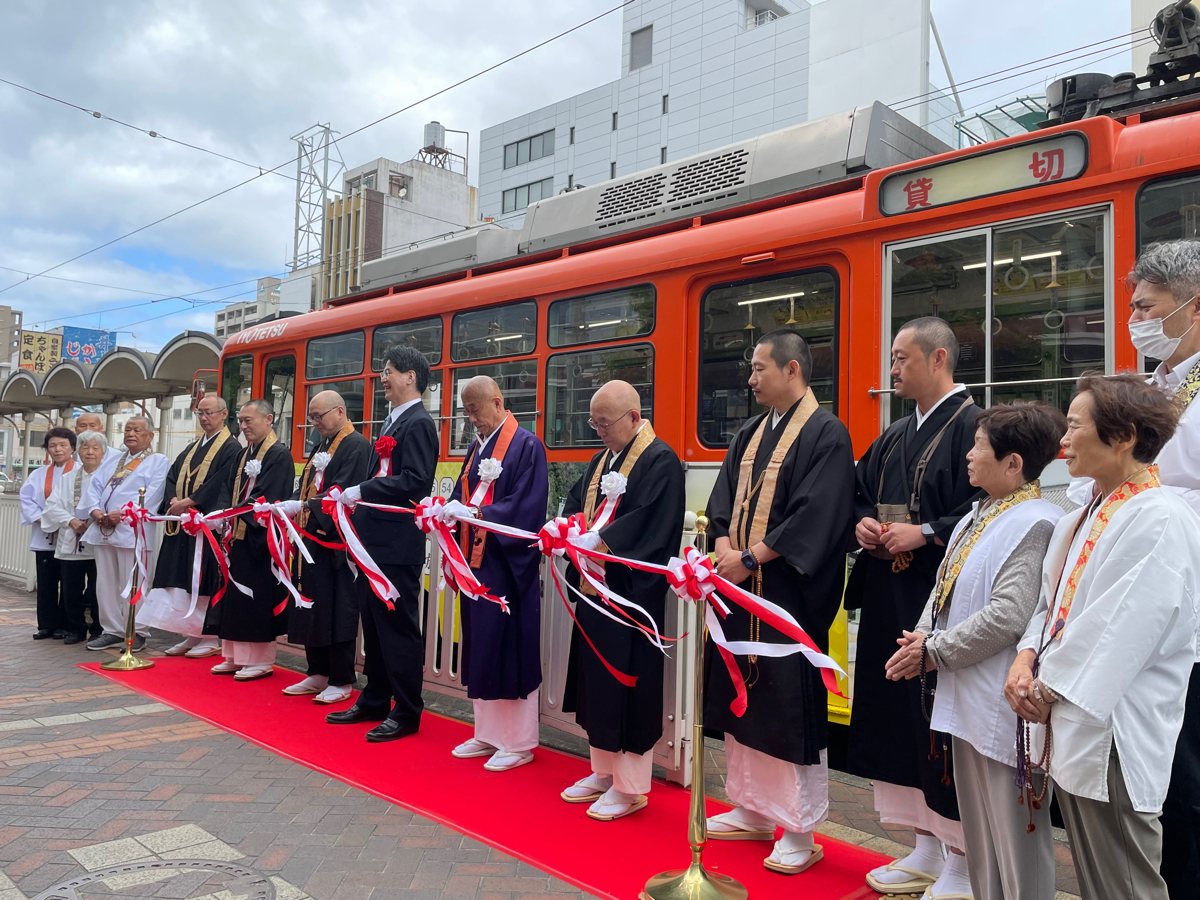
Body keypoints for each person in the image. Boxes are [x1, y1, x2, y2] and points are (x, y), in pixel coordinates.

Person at [1006, 375, 1200, 900]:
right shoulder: (1088, 511)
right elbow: (1051, 605)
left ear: (1124, 436)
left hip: (1114, 729)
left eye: (1074, 427)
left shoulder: (1159, 516)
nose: (1062, 443)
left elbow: (1120, 628)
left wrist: (1045, 688)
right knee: (1100, 879)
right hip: (1076, 717)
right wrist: (1026, 656)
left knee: (1126, 882)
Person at [884, 402, 1066, 900]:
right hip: (966, 698)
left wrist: (934, 651)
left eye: (978, 447)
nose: (967, 456)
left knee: (1015, 841)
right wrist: (923, 637)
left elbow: (1008, 616)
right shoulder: (977, 514)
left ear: (1013, 464)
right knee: (981, 837)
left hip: (1001, 704)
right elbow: (943, 589)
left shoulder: (1038, 521)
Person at [1067, 241, 1200, 899]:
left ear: (1194, 307)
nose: (1135, 320)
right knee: (1133, 781)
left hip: (1178, 613)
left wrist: (1139, 499)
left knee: (1183, 786)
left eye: (1147, 307)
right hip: (1116, 597)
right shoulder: (1148, 387)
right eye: (1132, 308)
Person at [698, 331, 855, 874]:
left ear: (792, 370)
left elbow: (818, 514)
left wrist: (754, 557)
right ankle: (752, 809)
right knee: (745, 702)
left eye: (759, 368)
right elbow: (723, 499)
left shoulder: (828, 435)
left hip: (786, 594)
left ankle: (798, 827)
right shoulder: (749, 431)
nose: (750, 378)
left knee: (787, 707)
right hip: (740, 586)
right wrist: (723, 545)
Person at [845, 316, 983, 898]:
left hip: (940, 595)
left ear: (939, 359)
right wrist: (866, 524)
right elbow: (856, 490)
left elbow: (995, 504)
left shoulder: (975, 426)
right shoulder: (897, 431)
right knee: (894, 715)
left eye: (902, 359)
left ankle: (960, 856)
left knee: (935, 720)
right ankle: (922, 845)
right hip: (887, 592)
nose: (893, 370)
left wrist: (925, 531)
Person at [557, 379, 685, 821]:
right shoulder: (601, 459)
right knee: (596, 684)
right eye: (593, 423)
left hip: (629, 594)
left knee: (628, 683)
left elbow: (651, 524)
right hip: (593, 589)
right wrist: (568, 527)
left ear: (634, 417)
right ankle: (602, 768)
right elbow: (577, 502)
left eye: (604, 422)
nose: (599, 431)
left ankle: (630, 785)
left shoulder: (660, 460)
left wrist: (603, 540)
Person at [325, 346, 438, 742]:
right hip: (373, 542)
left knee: (398, 629)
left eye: (388, 371)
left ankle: (406, 710)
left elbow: (416, 481)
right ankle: (374, 697)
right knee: (372, 628)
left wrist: (362, 489)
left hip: (396, 544)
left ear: (411, 377)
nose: (382, 378)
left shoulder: (419, 423)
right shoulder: (392, 422)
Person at [441, 376, 548, 772]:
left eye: (475, 410)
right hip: (477, 564)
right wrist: (446, 510)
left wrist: (482, 514)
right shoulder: (476, 447)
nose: (472, 420)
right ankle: (486, 733)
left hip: (507, 566)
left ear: (498, 402)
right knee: (481, 647)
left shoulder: (527, 445)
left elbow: (529, 505)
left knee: (510, 649)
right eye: (466, 412)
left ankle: (518, 742)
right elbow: (463, 494)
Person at [279, 390, 369, 705]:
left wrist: (304, 508)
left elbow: (341, 492)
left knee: (337, 608)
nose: (315, 422)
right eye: (312, 418)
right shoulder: (321, 445)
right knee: (311, 606)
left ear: (340, 412)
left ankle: (342, 678)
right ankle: (316, 670)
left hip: (334, 542)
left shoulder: (356, 445)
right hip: (310, 539)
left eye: (320, 416)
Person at [139, 395, 240, 658]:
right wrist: (174, 500)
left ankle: (207, 636)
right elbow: (172, 475)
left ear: (223, 413)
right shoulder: (193, 447)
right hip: (182, 523)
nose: (204, 418)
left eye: (209, 413)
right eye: (200, 413)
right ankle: (189, 634)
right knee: (181, 580)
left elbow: (222, 481)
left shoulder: (231, 448)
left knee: (202, 578)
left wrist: (191, 501)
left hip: (205, 525)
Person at [203, 399, 294, 681]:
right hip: (236, 536)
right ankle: (233, 655)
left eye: (248, 421)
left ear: (268, 419)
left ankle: (260, 660)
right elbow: (226, 488)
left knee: (256, 599)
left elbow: (267, 496)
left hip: (259, 538)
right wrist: (219, 515)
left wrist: (236, 513)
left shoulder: (279, 455)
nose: (243, 426)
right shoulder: (242, 454)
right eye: (240, 421)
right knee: (235, 598)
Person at [77, 417, 169, 652]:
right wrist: (95, 510)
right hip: (104, 527)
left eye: (137, 430)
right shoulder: (113, 460)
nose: (131, 434)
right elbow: (94, 486)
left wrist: (125, 514)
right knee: (105, 582)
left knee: (135, 582)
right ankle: (112, 630)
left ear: (150, 435)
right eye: (128, 429)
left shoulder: (158, 461)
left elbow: (154, 495)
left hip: (132, 529)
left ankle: (138, 630)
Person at [42, 431, 108, 644]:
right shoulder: (68, 478)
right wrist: (71, 521)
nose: (90, 452)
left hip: (99, 537)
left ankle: (99, 628)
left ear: (103, 452)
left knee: (100, 587)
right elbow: (52, 505)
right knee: (71, 588)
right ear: (77, 451)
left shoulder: (109, 478)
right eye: (85, 448)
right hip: (72, 537)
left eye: (95, 448)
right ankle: (76, 628)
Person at [20, 427, 77, 640]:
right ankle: (46, 624)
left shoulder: (80, 472)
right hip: (45, 535)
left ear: (72, 447)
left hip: (70, 534)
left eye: (63, 445)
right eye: (52, 445)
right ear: (47, 449)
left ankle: (65, 624)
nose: (58, 449)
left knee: (69, 582)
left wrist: (63, 521)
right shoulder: (38, 474)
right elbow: (27, 500)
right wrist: (43, 520)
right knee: (46, 582)